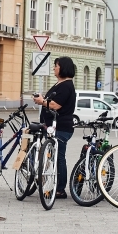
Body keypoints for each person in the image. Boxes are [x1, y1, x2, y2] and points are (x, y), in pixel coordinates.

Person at [33, 56, 76, 200]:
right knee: (54, 157)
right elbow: (50, 101)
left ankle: (60, 189)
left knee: (59, 158)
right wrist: (43, 98)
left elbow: (55, 105)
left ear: (63, 67)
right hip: (52, 126)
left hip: (61, 127)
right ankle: (53, 184)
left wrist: (42, 101)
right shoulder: (60, 84)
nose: (54, 68)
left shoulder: (67, 85)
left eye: (56, 66)